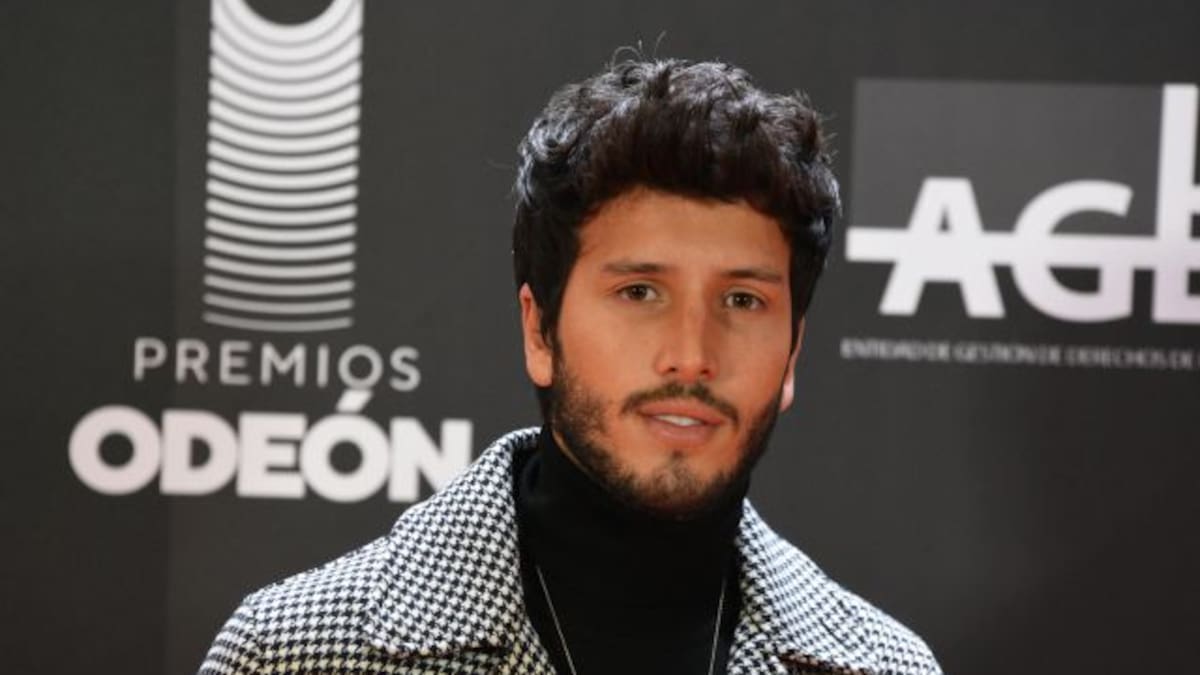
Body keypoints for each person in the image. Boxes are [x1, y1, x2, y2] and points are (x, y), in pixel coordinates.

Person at [200, 57, 941, 675]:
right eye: (640, 292)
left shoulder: (887, 667)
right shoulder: (292, 654)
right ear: (539, 331)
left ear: (793, 352)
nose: (692, 354)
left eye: (742, 300)